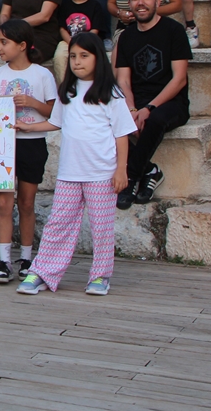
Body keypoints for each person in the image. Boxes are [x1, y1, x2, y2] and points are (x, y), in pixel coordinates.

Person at [17, 32, 135, 297]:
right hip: (70, 173)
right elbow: (55, 122)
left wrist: (121, 170)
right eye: (72, 56)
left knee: (101, 227)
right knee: (58, 223)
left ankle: (100, 276)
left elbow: (122, 134)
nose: (77, 62)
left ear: (98, 59)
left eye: (84, 56)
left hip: (101, 174)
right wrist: (27, 126)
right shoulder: (66, 92)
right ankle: (43, 272)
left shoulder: (110, 93)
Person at [0, 19, 57, 284]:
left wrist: (32, 103)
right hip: (3, 145)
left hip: (32, 141)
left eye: (5, 42)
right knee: (3, 202)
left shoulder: (42, 75)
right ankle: (3, 260)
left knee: (26, 202)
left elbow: (55, 111)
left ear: (23, 45)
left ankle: (27, 258)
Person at [114, 0, 191, 209]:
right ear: (130, 4)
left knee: (155, 120)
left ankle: (130, 180)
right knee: (108, 119)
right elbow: (123, 80)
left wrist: (149, 108)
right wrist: (132, 109)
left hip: (171, 103)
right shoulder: (126, 36)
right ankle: (151, 171)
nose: (141, 3)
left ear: (157, 1)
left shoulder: (173, 30)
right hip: (137, 103)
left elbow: (179, 79)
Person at [55, 0, 108, 83]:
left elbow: (95, 29)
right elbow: (62, 28)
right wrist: (71, 42)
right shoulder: (65, 5)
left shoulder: (95, 6)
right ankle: (65, 87)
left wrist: (82, 43)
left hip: (89, 41)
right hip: (68, 40)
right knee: (59, 56)